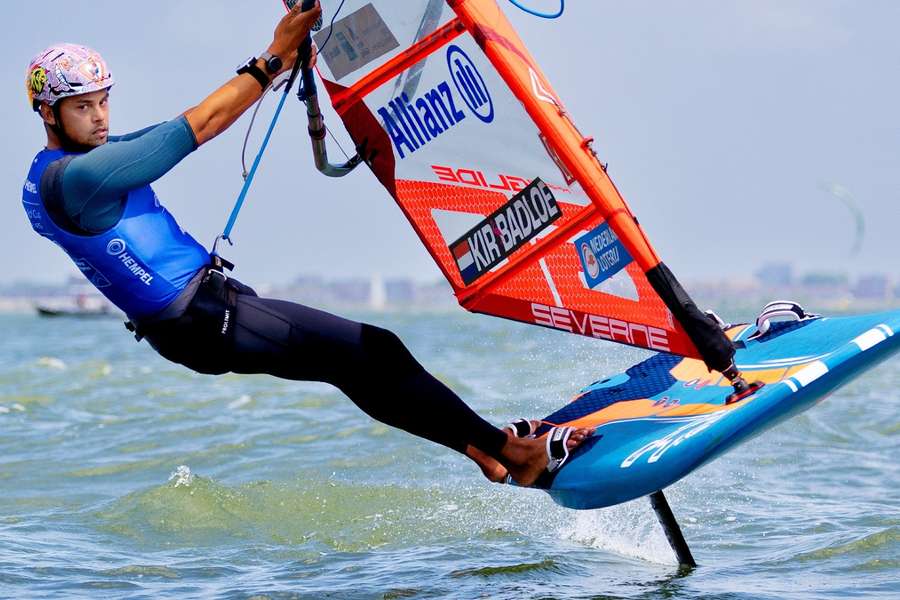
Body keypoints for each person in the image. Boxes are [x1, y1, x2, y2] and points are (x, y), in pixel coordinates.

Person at [21, 3, 592, 487]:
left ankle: (480, 449)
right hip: (203, 316)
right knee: (373, 350)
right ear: (48, 113)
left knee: (354, 365)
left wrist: (277, 62)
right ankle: (513, 454)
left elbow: (174, 124)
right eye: (82, 106)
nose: (99, 116)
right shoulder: (78, 180)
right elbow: (194, 129)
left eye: (102, 101)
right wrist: (269, 60)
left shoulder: (52, 171)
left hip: (197, 317)